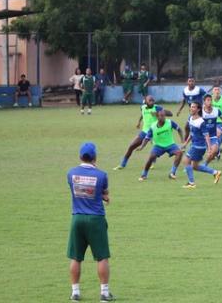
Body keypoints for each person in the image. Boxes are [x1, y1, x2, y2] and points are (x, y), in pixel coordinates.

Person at [66, 142, 115, 302]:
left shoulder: (71, 173)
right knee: (102, 257)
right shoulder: (102, 175)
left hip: (77, 218)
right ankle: (104, 293)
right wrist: (104, 196)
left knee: (76, 257)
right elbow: (103, 194)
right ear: (95, 157)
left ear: (80, 156)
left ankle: (75, 292)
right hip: (96, 219)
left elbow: (79, 191)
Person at [114, 95, 162, 170]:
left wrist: (158, 115)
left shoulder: (157, 108)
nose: (152, 102)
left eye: (153, 100)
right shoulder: (142, 107)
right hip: (144, 131)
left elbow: (166, 115)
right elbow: (143, 114)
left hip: (154, 132)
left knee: (155, 149)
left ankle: (152, 163)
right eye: (150, 100)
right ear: (145, 101)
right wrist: (139, 122)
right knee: (131, 146)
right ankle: (122, 164)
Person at [180, 102, 222, 188]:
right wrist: (185, 143)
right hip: (195, 145)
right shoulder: (191, 119)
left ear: (198, 109)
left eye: (194, 107)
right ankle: (215, 172)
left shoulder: (201, 121)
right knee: (195, 166)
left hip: (198, 146)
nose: (191, 108)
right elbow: (191, 134)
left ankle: (191, 183)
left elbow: (206, 135)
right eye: (191, 107)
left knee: (186, 161)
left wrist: (209, 148)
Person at [136, 110, 184, 181]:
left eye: (164, 115)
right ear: (157, 117)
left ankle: (172, 173)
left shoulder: (170, 122)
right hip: (158, 146)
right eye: (161, 116)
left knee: (179, 153)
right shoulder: (153, 126)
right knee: (151, 157)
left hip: (170, 144)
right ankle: (144, 174)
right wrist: (142, 147)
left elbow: (179, 129)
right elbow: (147, 138)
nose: (163, 117)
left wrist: (182, 140)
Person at [201, 94, 222, 165]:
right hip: (202, 136)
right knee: (197, 153)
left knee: (214, 151)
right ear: (204, 102)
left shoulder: (216, 111)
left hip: (213, 136)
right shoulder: (200, 112)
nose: (210, 102)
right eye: (208, 100)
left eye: (211, 100)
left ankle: (204, 165)